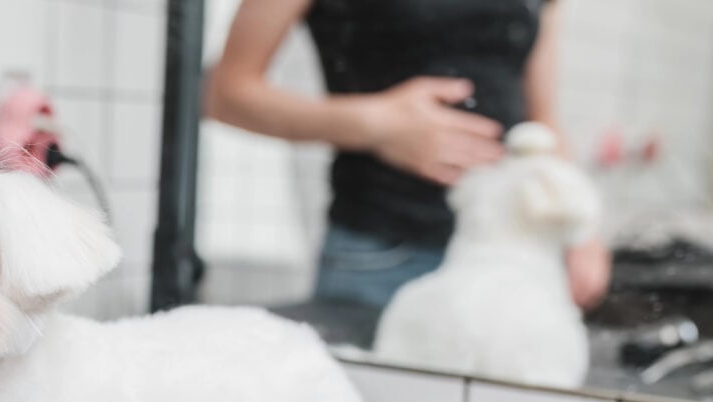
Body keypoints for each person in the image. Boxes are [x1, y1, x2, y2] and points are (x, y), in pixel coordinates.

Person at [204, 0, 610, 311]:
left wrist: (582, 231)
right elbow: (224, 94)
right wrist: (376, 124)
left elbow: (541, 119)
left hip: (512, 250)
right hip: (383, 252)